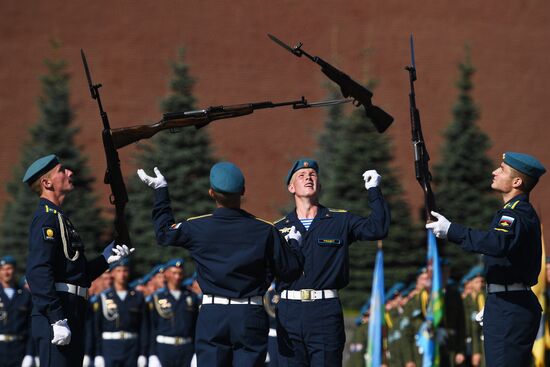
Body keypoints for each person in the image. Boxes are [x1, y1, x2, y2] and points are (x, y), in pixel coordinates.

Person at [137, 162, 304, 367]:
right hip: (249, 314)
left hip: (213, 314)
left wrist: (161, 192)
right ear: (242, 191)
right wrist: (294, 244)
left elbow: (163, 234)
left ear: (211, 193)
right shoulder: (265, 230)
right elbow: (290, 270)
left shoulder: (197, 227)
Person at [426, 151, 546, 367]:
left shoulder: (516, 214)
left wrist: (452, 230)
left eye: (501, 169)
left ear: (517, 181)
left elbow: (496, 244)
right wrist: (494, 301)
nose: (494, 172)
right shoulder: (514, 211)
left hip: (510, 307)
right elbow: (507, 259)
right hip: (506, 303)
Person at [273, 159, 390, 366]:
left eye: (312, 175)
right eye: (301, 175)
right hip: (289, 311)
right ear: (291, 187)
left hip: (324, 311)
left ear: (319, 185)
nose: (308, 177)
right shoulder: (278, 229)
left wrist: (374, 191)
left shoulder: (339, 221)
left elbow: (378, 229)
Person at [23, 154, 134, 367]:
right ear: (47, 183)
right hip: (58, 313)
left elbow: (76, 273)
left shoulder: (60, 217)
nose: (70, 173)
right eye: (62, 171)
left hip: (72, 310)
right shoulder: (46, 218)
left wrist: (105, 259)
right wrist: (56, 317)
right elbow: (38, 271)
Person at [92, 258, 148, 367]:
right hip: (109, 346)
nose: (122, 274)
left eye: (125, 271)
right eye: (119, 271)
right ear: (112, 273)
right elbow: (97, 327)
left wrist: (143, 353)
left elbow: (143, 326)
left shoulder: (137, 296)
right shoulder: (104, 297)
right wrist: (97, 353)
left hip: (131, 346)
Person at [147, 259, 198, 367]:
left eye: (180, 273)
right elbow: (151, 327)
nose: (177, 277)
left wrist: (196, 352)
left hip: (186, 348)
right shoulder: (157, 297)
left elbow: (195, 327)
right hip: (164, 348)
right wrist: (152, 354)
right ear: (166, 274)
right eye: (174, 273)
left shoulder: (191, 297)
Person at [0, 256, 33, 367]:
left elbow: (30, 326)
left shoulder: (25, 295)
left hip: (19, 350)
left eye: (9, 268)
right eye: (3, 269)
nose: (6, 272)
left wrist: (29, 354)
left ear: (14, 270)